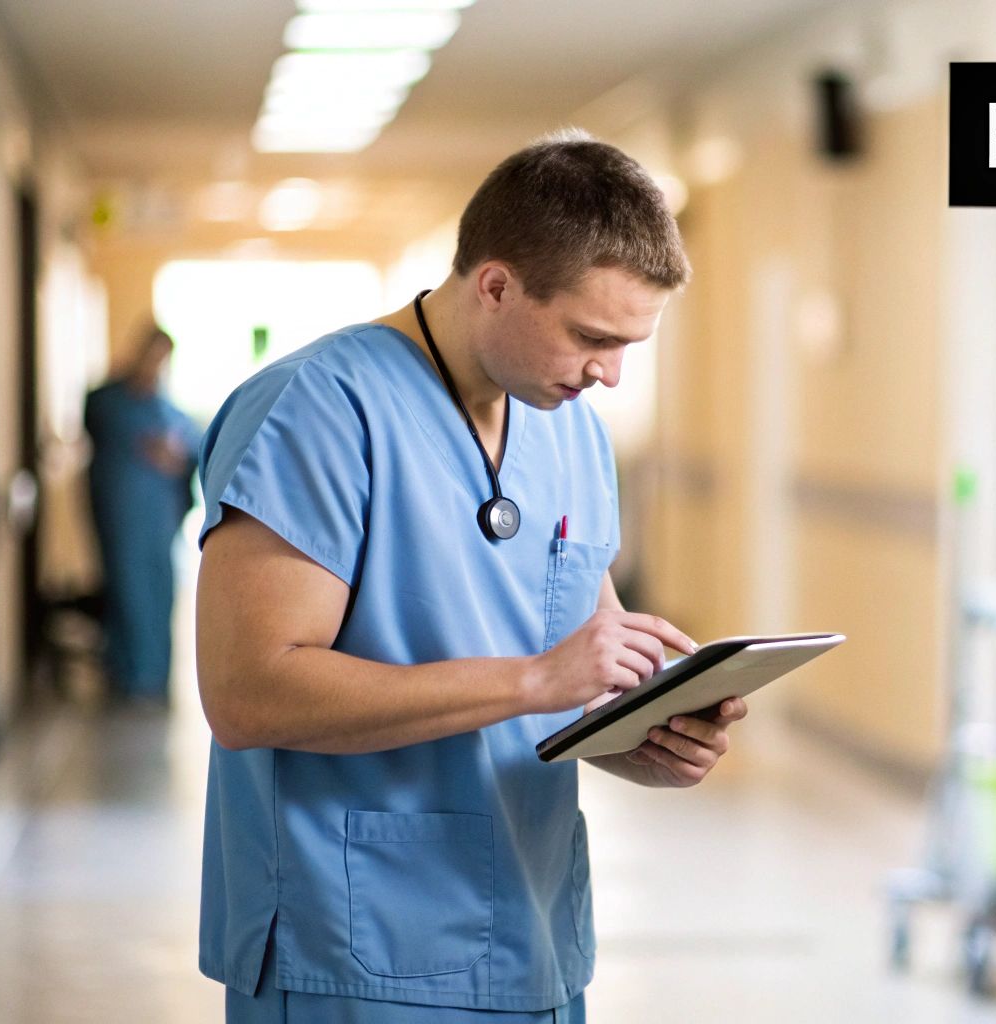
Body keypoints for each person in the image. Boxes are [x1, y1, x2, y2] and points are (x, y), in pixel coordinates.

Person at [195, 130, 746, 1023]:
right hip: (351, 945)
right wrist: (536, 680)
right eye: (591, 337)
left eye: (629, 345)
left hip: (531, 935)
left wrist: (643, 737)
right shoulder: (317, 412)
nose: (609, 373)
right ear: (495, 284)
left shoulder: (567, 428)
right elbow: (249, 694)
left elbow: (573, 681)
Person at [83, 326, 200, 704]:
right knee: (128, 590)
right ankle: (131, 675)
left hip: (159, 519)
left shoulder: (164, 407)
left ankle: (155, 676)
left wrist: (176, 452)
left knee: (160, 590)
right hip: (123, 517)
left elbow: (193, 441)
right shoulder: (109, 401)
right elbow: (108, 428)